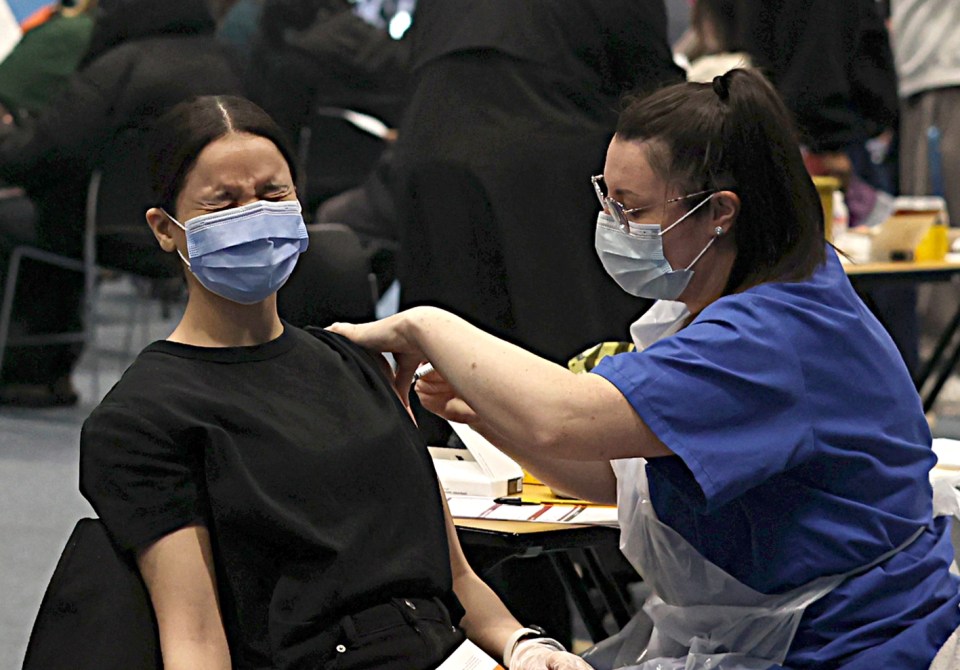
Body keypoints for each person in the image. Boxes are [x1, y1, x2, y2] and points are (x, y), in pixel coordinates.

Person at [330, 68, 960, 669]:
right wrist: (483, 412)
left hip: (848, 641)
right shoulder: (730, 297)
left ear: (720, 212)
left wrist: (426, 325)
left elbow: (567, 419)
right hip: (776, 626)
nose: (613, 226)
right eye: (607, 199)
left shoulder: (770, 334)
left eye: (633, 209)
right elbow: (617, 477)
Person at [79, 94, 591, 670]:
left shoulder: (354, 363)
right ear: (165, 229)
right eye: (223, 203)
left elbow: (454, 579)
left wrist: (525, 647)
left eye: (273, 195)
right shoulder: (145, 416)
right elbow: (195, 639)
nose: (254, 215)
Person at [392, 0, 683, 365]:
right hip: (543, 152)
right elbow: (653, 92)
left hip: (431, 144)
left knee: (448, 352)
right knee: (569, 356)